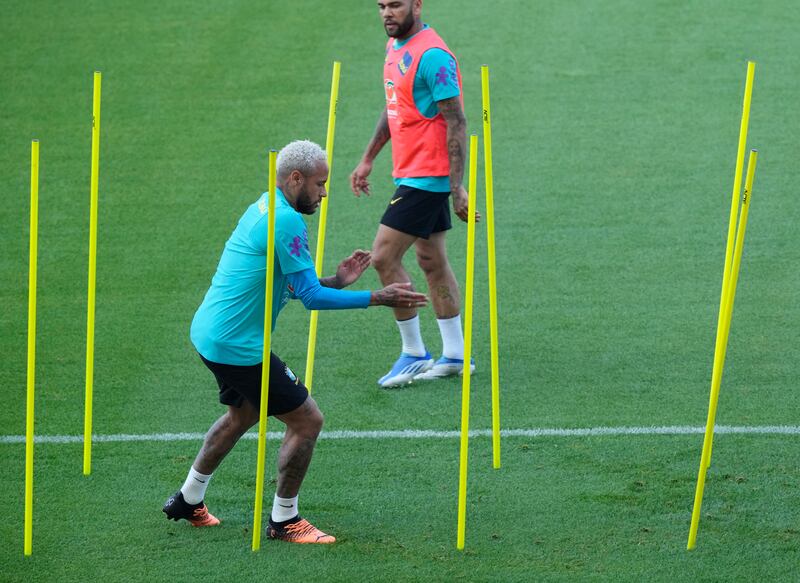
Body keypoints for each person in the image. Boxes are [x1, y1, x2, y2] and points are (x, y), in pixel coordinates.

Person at [163, 140, 427, 544]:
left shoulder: (267, 206)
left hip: (212, 334)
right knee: (307, 420)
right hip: (237, 346)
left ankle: (188, 498)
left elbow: (290, 284)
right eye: (320, 184)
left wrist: (337, 281)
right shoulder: (286, 222)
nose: (324, 193)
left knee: (243, 413)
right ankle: (285, 520)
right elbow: (310, 298)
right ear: (295, 178)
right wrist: (379, 297)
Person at [351, 0, 478, 388]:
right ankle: (455, 355)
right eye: (381, 6)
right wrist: (368, 158)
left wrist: (457, 186)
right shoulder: (395, 47)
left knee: (384, 256)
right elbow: (395, 107)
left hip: (428, 177)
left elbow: (456, 121)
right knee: (430, 259)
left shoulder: (433, 56)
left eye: (396, 5)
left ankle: (414, 352)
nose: (387, 12)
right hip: (411, 172)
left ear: (417, 5)